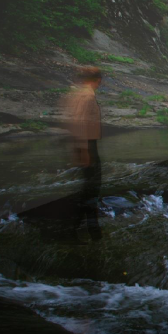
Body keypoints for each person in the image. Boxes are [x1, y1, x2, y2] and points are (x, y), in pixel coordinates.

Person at [63, 66, 104, 241]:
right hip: (88, 145)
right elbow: (79, 123)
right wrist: (84, 150)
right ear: (98, 80)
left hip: (83, 144)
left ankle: (89, 226)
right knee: (92, 186)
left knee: (88, 186)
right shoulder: (87, 96)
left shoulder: (78, 94)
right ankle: (85, 227)